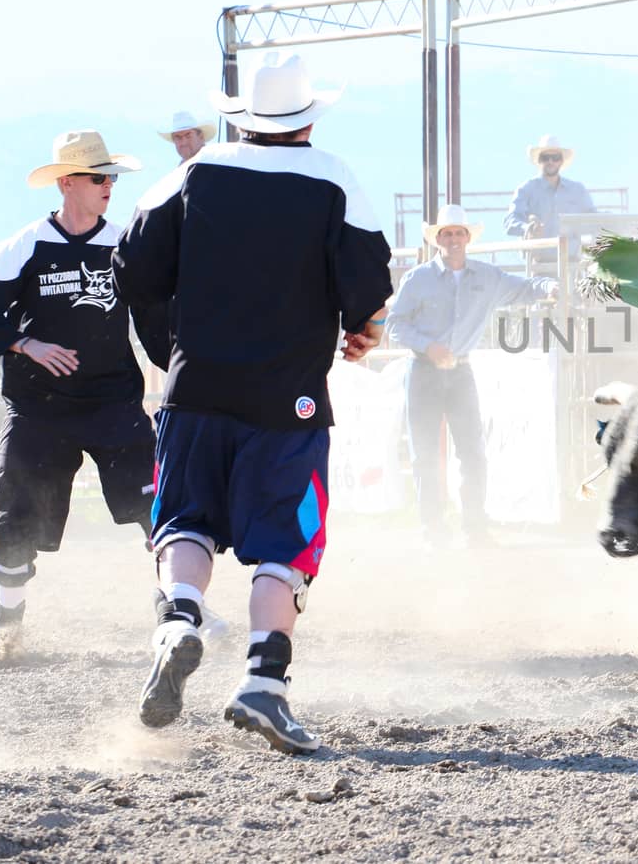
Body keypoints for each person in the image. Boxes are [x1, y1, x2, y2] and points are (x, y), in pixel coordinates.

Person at [114, 52, 393, 754]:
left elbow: (134, 268)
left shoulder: (195, 169)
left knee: (185, 521)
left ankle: (180, 618)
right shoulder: (333, 177)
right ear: (307, 120)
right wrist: (362, 332)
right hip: (287, 400)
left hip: (195, 388)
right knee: (287, 544)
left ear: (244, 117)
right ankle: (263, 683)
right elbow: (368, 289)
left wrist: (172, 343)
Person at [0, 130, 166, 643]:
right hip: (39, 408)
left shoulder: (123, 244)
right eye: (99, 177)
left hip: (113, 402)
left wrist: (184, 366)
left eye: (111, 178)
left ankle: (177, 612)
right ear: (68, 183)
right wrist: (23, 344)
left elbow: (157, 317)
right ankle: (7, 629)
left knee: (161, 507)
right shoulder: (25, 246)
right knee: (14, 521)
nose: (109, 186)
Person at [387, 204, 557, 546]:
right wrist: (428, 346)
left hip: (460, 372)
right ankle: (434, 528)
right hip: (423, 371)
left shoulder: (488, 277)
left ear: (467, 238)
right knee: (424, 454)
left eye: (458, 233)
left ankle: (474, 526)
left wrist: (550, 286)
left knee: (473, 452)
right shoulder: (417, 278)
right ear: (438, 240)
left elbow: (527, 287)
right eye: (446, 233)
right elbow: (394, 324)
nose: (453, 239)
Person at [504, 135, 596, 275]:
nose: (550, 161)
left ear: (561, 161)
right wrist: (528, 228)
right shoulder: (526, 189)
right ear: (539, 160)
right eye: (545, 157)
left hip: (572, 266)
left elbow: (594, 220)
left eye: (555, 157)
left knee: (576, 296)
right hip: (539, 267)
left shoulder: (577, 190)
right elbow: (510, 221)